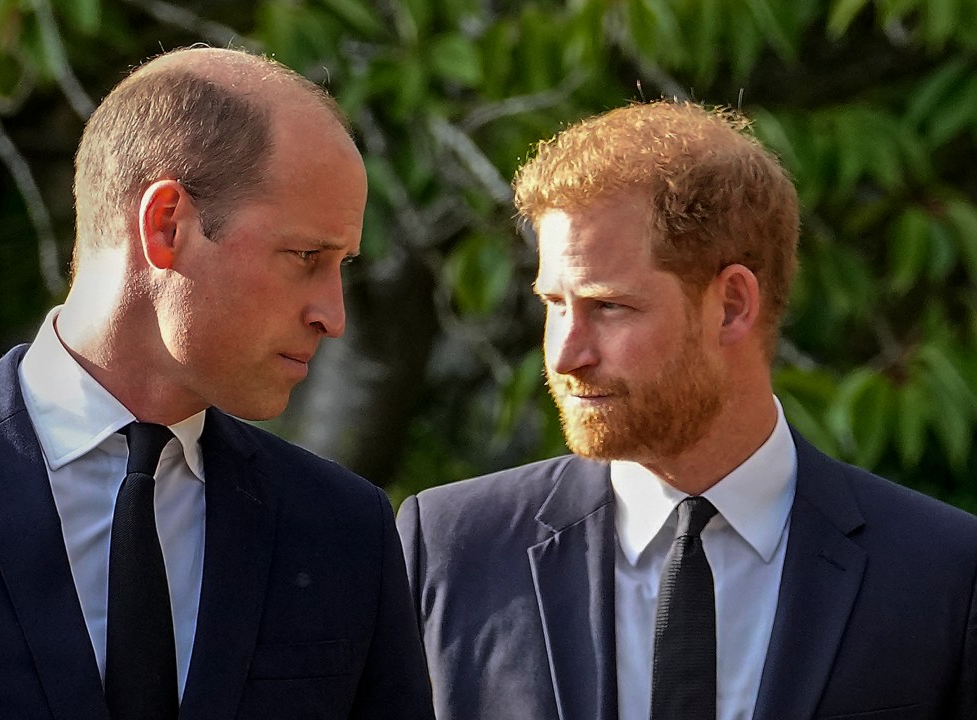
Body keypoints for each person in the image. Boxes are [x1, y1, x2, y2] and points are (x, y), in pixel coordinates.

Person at [0, 47, 435, 720]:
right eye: (305, 257)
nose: (333, 315)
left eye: (341, 264)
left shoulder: (342, 530)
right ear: (165, 224)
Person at [397, 100, 977, 720]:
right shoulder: (452, 547)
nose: (565, 355)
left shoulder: (942, 571)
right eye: (554, 303)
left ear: (731, 304)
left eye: (608, 306)